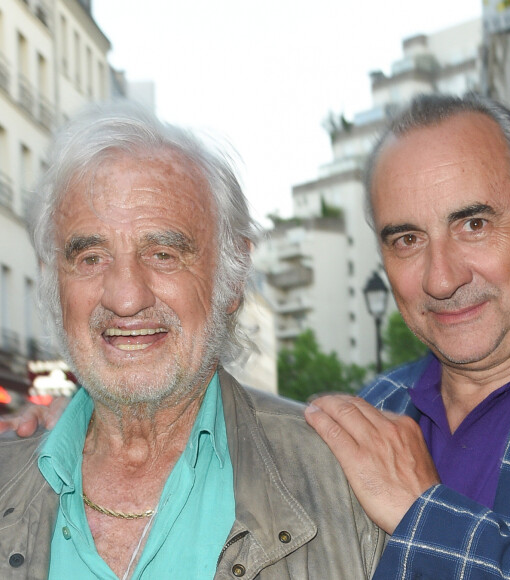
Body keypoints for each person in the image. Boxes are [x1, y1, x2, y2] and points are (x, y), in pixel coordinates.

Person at [0, 102, 385, 579]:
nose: (124, 298)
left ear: (232, 275)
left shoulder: (349, 488)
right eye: (91, 257)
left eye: (163, 254)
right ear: (51, 281)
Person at [305, 93, 510, 578]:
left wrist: (425, 518)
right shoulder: (376, 408)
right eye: (407, 240)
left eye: (473, 224)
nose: (441, 278)